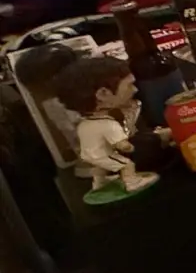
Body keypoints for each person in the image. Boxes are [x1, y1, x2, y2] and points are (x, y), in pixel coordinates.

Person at [52, 55, 161, 199]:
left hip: (90, 156)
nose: (135, 89)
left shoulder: (85, 124)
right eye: (129, 85)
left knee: (99, 168)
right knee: (126, 165)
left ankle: (100, 183)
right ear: (103, 94)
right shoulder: (107, 123)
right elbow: (123, 144)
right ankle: (132, 182)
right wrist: (129, 146)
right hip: (104, 154)